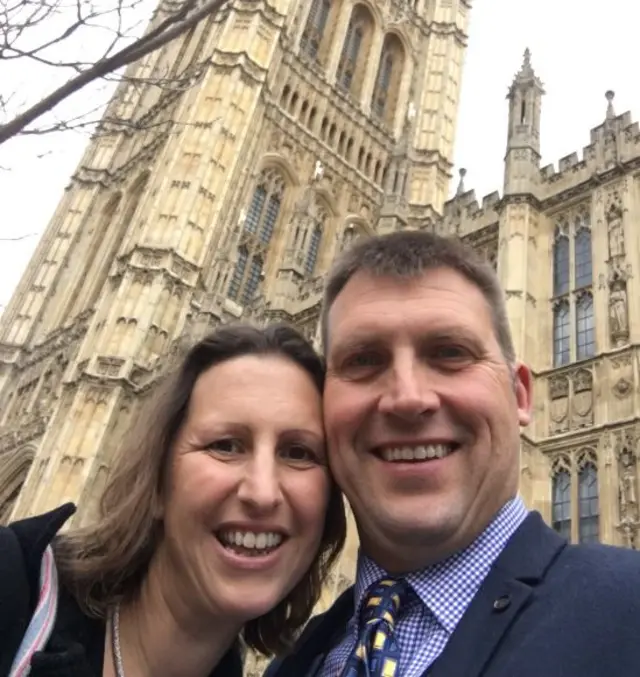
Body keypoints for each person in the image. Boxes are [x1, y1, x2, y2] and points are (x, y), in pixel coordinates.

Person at [265, 231, 640, 677]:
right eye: (363, 360)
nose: (407, 398)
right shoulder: (295, 663)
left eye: (450, 353)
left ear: (519, 394)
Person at [0, 323, 346, 677]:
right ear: (157, 481)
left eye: (298, 452)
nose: (262, 492)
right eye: (225, 445)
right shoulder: (14, 590)